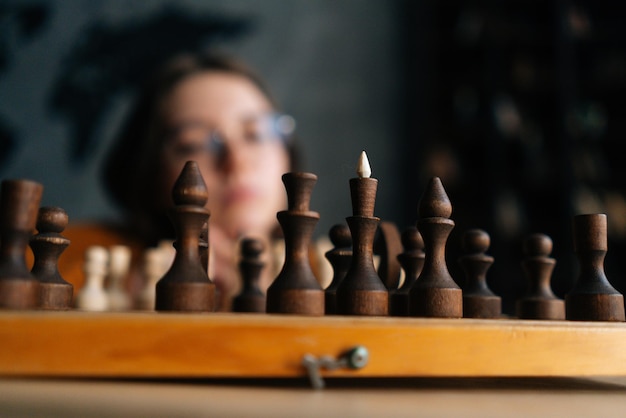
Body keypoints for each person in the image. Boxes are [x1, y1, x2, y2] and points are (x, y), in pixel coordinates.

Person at [74, 51, 300, 310]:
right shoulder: (80, 260)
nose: (237, 161)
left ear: (288, 154)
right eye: (194, 144)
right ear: (152, 175)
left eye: (256, 134)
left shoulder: (335, 275)